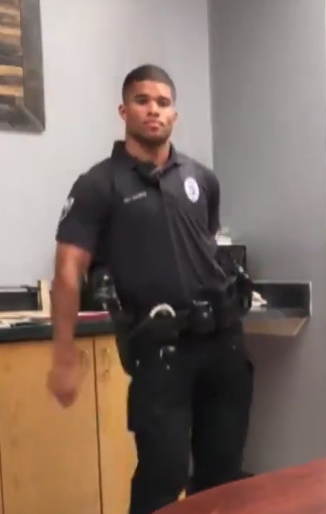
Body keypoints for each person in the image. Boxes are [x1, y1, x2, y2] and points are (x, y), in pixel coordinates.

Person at [47, 64, 254, 514]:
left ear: (175, 114)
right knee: (163, 477)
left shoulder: (202, 178)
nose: (153, 110)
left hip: (223, 345)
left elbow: (205, 247)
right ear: (124, 111)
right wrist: (63, 354)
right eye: (142, 101)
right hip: (162, 353)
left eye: (163, 102)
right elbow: (67, 270)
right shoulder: (99, 184)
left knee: (223, 480)